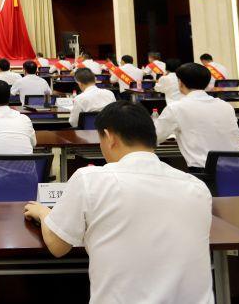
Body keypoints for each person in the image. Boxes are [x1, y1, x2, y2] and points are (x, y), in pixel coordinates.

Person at [23, 101, 213, 304]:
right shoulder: (197, 188)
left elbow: (57, 246)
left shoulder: (90, 179)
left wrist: (43, 213)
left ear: (110, 137)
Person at [154, 63, 239, 170]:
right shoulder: (226, 106)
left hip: (204, 173)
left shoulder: (176, 108)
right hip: (237, 171)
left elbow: (153, 137)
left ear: (180, 83)